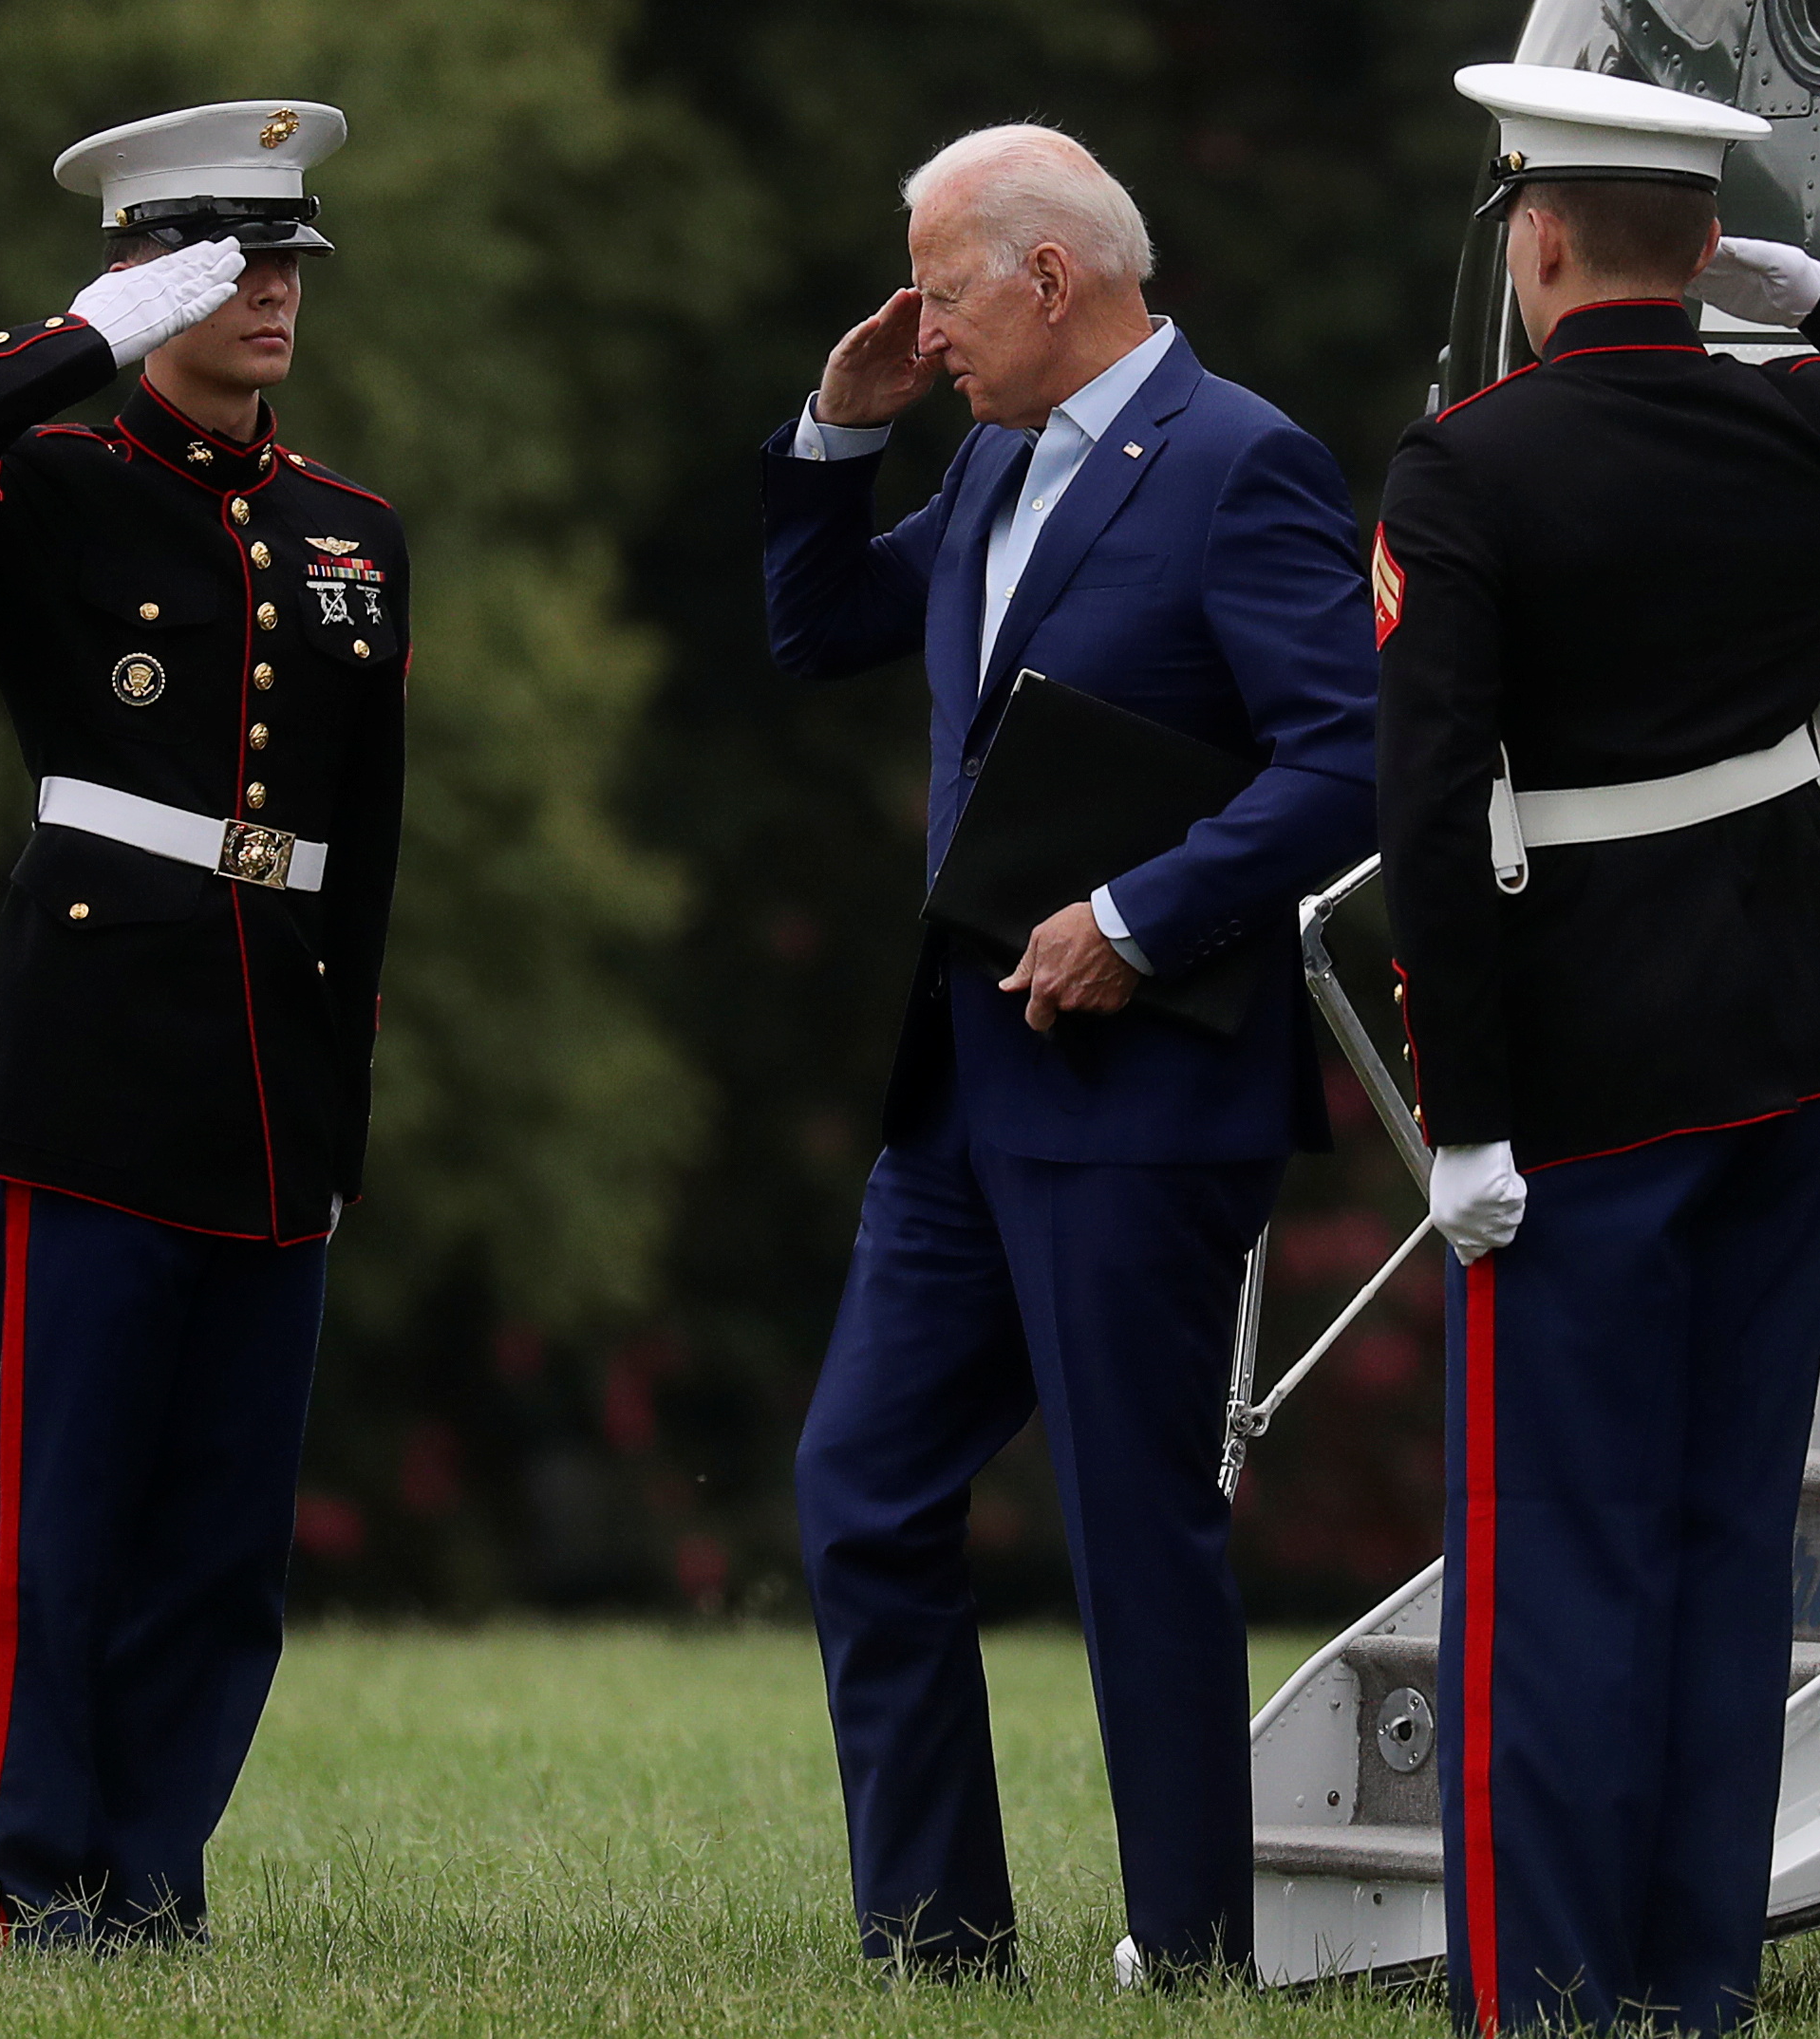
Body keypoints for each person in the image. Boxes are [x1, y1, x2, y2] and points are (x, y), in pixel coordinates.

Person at [1374, 65, 1820, 2036]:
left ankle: (1539, 2004)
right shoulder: (1803, 419)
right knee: (1710, 1555)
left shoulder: (1466, 470)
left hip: (1581, 1097)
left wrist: (1464, 1123)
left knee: (1549, 1573)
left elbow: (1435, 817)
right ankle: (1691, 1996)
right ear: (1705, 249)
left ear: (1531, 236)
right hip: (1782, 1052)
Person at [763, 124, 1379, 1983]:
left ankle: (1189, 1954)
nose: (923, 328)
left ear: (1048, 278)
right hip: (962, 1091)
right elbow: (814, 630)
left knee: (1132, 1535)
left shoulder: (1237, 462)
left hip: (1140, 1097)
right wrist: (837, 428)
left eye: (941, 292)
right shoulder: (988, 459)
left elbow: (1348, 756)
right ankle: (935, 1952)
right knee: (858, 1491)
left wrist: (1134, 916)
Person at [0, 100, 406, 1945]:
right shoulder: (59, 484)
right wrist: (88, 337)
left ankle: (154, 1877)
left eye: (286, 263)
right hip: (86, 1067)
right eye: (229, 267)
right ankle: (35, 1882)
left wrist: (340, 1120)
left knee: (224, 1553)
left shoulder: (352, 532)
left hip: (270, 1082)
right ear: (157, 276)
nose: (271, 298)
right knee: (62, 1524)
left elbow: (365, 839)